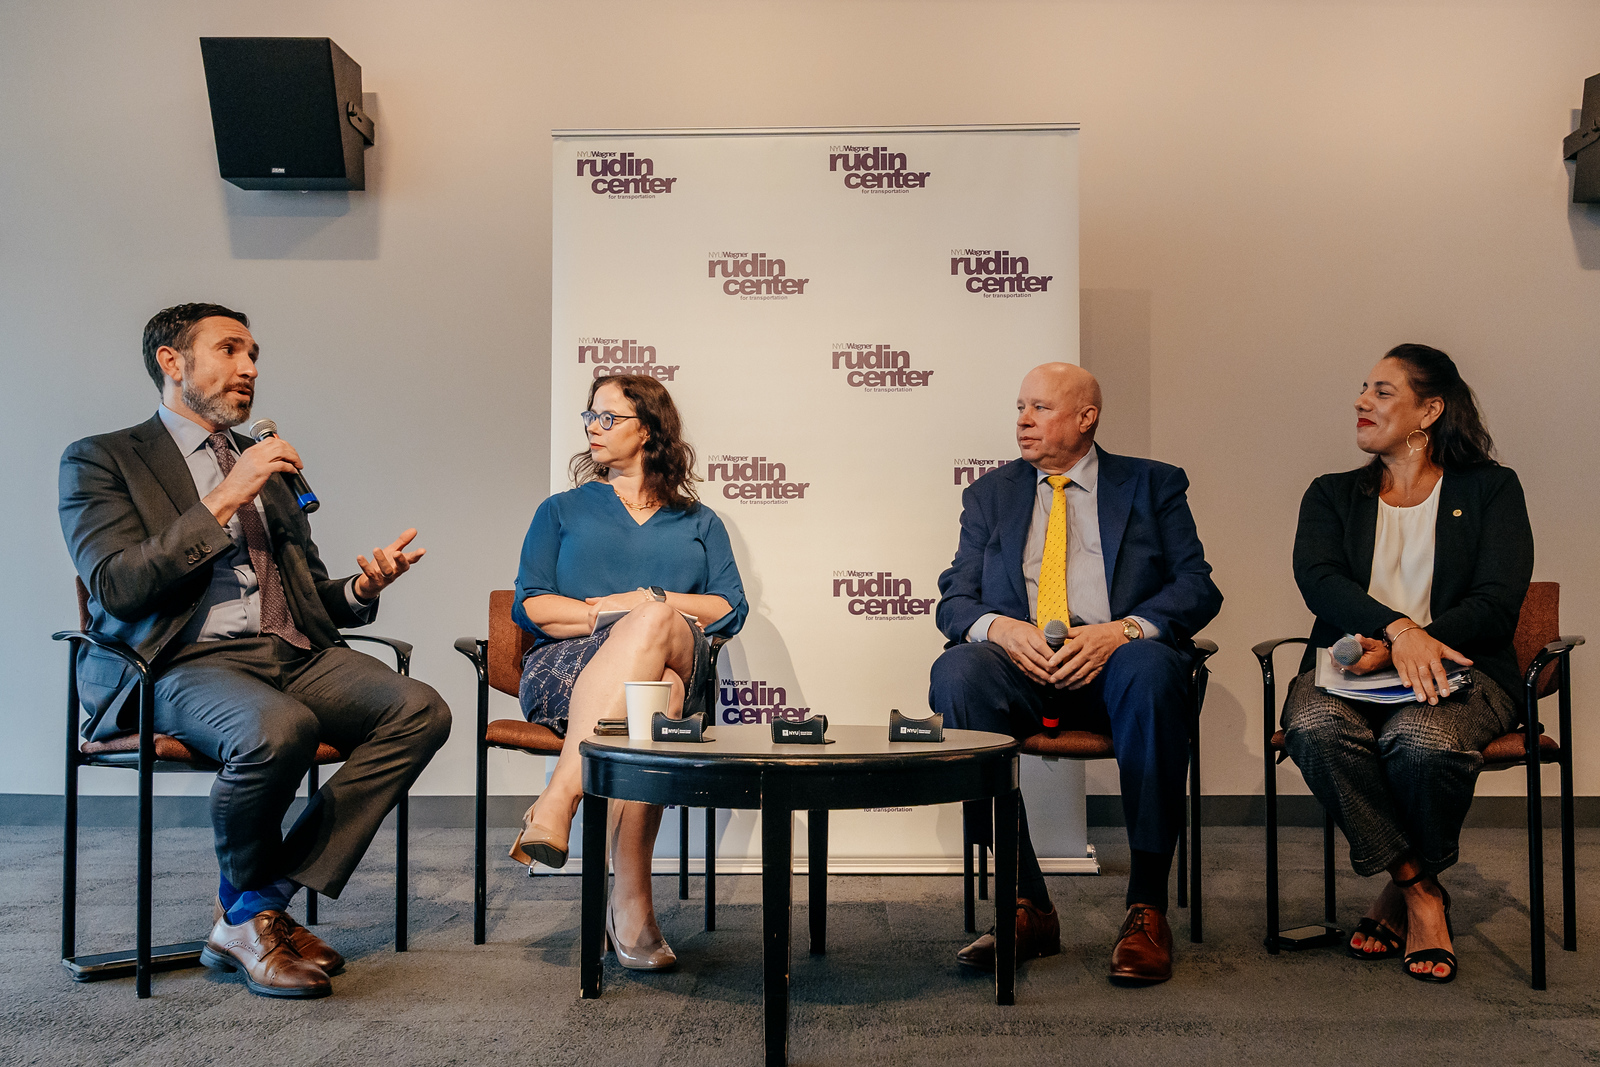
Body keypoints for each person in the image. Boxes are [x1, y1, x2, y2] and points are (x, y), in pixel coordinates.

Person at [58, 303, 451, 999]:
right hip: (175, 662)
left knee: (420, 708)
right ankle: (252, 917)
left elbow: (307, 600)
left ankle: (251, 903)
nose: (251, 368)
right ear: (171, 362)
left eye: (255, 353)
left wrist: (360, 587)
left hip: (291, 653)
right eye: (231, 350)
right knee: (281, 729)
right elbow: (118, 586)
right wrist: (227, 492)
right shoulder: (103, 458)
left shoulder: (263, 465)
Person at [929, 362, 1221, 984]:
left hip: (1118, 668)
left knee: (1150, 668)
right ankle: (1026, 902)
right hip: (1025, 670)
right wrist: (1002, 629)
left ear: (1086, 418)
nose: (1023, 421)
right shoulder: (991, 494)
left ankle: (1146, 908)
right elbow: (955, 599)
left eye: (1039, 408)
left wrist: (1123, 631)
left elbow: (1197, 587)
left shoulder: (1152, 485)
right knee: (958, 673)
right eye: (1019, 408)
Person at [1282, 343, 1532, 984]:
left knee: (1421, 742)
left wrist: (1412, 644)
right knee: (1313, 728)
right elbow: (1319, 580)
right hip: (1350, 672)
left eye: (1383, 391)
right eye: (1363, 388)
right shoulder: (1332, 494)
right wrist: (1395, 633)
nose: (1362, 401)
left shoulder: (1491, 490)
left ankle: (1397, 893)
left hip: (1465, 670)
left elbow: (1498, 600)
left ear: (1430, 410)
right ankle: (1421, 891)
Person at [510, 373, 746, 971]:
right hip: (569, 670)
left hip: (682, 654)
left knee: (654, 625)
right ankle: (631, 905)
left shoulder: (699, 520)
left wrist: (654, 605)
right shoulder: (560, 511)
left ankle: (559, 796)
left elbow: (727, 607)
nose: (593, 426)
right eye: (590, 416)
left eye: (608, 417)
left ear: (648, 431)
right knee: (656, 696)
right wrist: (614, 610)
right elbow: (532, 606)